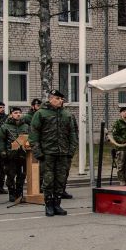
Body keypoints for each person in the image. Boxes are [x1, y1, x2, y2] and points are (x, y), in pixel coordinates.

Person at [29, 89, 77, 217]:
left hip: (63, 153)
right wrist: (38, 152)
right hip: (48, 153)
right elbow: (34, 134)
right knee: (48, 180)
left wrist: (71, 150)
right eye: (58, 98)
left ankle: (57, 204)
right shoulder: (41, 114)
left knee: (60, 180)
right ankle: (49, 205)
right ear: (50, 99)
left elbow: (72, 134)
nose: (61, 101)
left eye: (62, 99)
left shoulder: (67, 114)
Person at [0, 106, 30, 202]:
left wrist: (29, 145)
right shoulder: (5, 126)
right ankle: (12, 193)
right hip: (10, 155)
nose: (18, 114)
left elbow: (31, 138)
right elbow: (0, 140)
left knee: (22, 175)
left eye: (19, 113)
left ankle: (19, 194)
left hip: (23, 155)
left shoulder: (26, 126)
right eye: (15, 113)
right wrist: (2, 152)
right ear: (11, 115)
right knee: (11, 175)